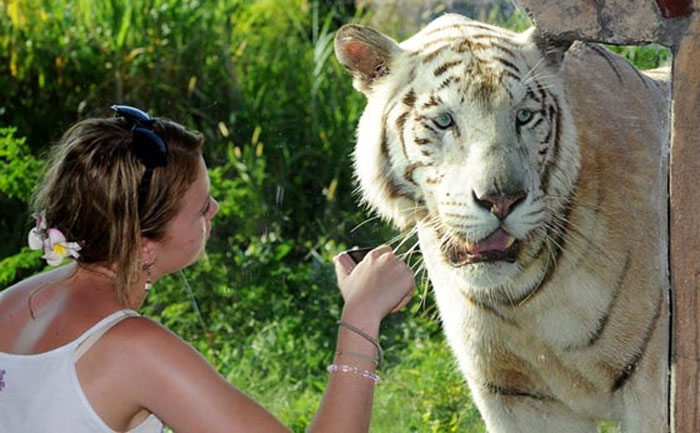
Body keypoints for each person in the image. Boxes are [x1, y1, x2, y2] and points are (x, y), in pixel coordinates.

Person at [0, 105, 415, 432]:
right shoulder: (133, 348)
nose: (214, 209)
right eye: (201, 208)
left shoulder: (12, 302)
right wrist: (361, 314)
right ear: (143, 246)